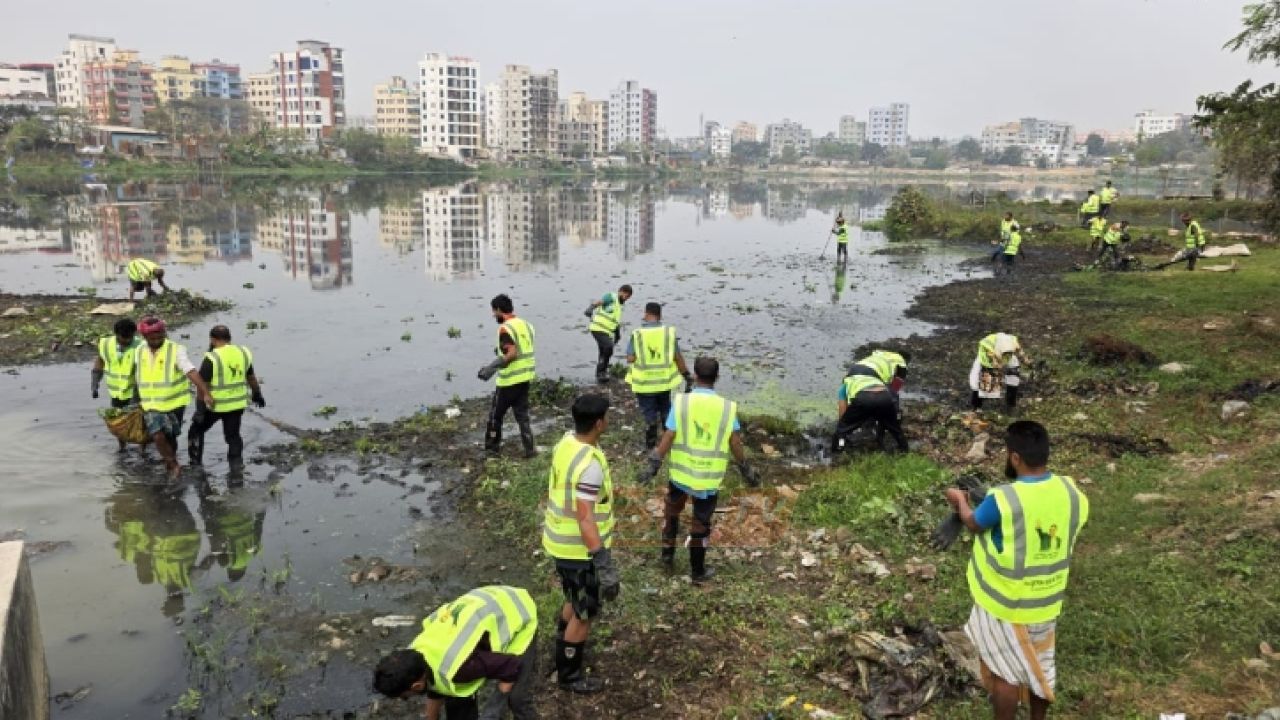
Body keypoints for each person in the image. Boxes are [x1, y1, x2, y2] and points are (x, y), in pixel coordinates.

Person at [942, 421, 1089, 720]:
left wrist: (959, 501)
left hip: (1006, 605)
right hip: (1047, 601)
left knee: (1004, 673)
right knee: (1040, 667)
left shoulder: (1003, 498)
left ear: (1015, 457)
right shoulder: (1071, 492)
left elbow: (974, 523)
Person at [642, 357, 760, 583]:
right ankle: (697, 571)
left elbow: (669, 434)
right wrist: (745, 467)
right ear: (717, 377)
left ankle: (667, 555)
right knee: (700, 522)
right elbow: (735, 442)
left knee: (672, 512)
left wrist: (655, 462)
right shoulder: (726, 408)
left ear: (695, 376)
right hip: (707, 478)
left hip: (681, 475)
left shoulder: (681, 402)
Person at [542, 394, 619, 694]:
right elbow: (585, 518)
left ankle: (562, 642)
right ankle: (569, 675)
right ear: (599, 423)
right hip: (577, 550)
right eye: (607, 417)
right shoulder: (589, 466)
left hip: (559, 541)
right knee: (585, 612)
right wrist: (603, 562)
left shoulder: (566, 443)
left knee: (573, 598)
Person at [372, 585, 539, 720]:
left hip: (517, 613)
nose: (406, 698)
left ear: (416, 686)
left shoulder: (461, 668)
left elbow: (511, 666)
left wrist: (494, 708)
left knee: (517, 699)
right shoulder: (417, 656)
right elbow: (435, 688)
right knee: (456, 696)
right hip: (483, 601)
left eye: (405, 696)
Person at [134, 316, 215, 479]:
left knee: (171, 436)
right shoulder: (139, 350)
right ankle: (173, 464)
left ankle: (170, 461)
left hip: (174, 403)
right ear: (144, 337)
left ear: (164, 333)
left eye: (159, 337)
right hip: (151, 404)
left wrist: (205, 391)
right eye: (152, 338)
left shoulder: (176, 350)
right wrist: (134, 397)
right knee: (157, 434)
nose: (156, 341)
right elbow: (137, 373)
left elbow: (190, 370)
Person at [188, 325, 265, 470]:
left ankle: (195, 465)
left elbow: (201, 385)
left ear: (212, 339)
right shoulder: (243, 352)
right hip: (237, 405)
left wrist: (200, 410)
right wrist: (257, 394)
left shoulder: (212, 357)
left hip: (216, 405)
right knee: (233, 436)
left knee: (196, 430)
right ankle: (236, 468)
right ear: (230, 338)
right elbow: (251, 377)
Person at [625, 302, 691, 448]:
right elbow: (677, 357)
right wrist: (686, 375)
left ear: (646, 314)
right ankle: (668, 440)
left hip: (644, 384)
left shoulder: (637, 334)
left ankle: (650, 444)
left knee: (649, 413)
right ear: (660, 316)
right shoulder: (668, 332)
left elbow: (630, 358)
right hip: (664, 383)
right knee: (666, 409)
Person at [478, 294, 537, 458]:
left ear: (499, 310)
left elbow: (512, 353)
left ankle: (491, 450)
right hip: (525, 378)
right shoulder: (526, 325)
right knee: (522, 417)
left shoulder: (505, 328)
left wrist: (490, 368)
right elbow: (522, 348)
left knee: (495, 417)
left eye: (493, 311)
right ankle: (530, 450)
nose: (493, 315)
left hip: (508, 381)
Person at [835, 350, 911, 453]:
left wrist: (843, 424)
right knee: (889, 403)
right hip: (876, 383)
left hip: (860, 372)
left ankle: (839, 446)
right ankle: (898, 443)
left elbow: (843, 407)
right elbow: (894, 390)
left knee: (844, 427)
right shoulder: (900, 362)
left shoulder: (847, 382)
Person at [92, 318, 142, 449]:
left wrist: (136, 397)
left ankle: (143, 450)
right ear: (116, 334)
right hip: (116, 393)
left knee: (139, 422)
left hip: (135, 392)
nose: (127, 340)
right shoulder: (105, 344)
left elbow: (144, 373)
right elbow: (100, 362)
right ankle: (122, 448)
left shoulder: (141, 346)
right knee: (118, 422)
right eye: (123, 337)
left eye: (130, 337)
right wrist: (95, 383)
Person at [584, 284, 632, 384]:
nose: (626, 298)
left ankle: (600, 374)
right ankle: (601, 371)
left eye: (628, 297)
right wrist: (591, 308)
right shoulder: (611, 297)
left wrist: (617, 334)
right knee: (608, 347)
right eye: (625, 295)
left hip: (607, 332)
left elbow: (615, 321)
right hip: (597, 328)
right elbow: (600, 302)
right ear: (621, 291)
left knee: (603, 351)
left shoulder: (619, 306)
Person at [970, 333, 1029, 413]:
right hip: (988, 360)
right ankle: (976, 407)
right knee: (983, 383)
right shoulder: (989, 349)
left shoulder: (1012, 344)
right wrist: (997, 365)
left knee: (1014, 377)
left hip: (1005, 357)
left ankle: (1010, 404)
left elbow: (1019, 350)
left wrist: (1025, 359)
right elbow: (995, 363)